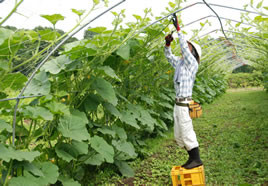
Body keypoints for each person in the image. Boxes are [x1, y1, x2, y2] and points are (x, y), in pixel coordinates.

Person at [164, 15, 203, 169]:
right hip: (178, 103)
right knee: (179, 133)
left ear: (193, 53)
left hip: (185, 103)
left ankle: (196, 159)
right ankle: (190, 158)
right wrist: (167, 44)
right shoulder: (180, 64)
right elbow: (168, 56)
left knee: (187, 131)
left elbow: (185, 52)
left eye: (188, 46)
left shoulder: (192, 64)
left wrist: (179, 30)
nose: (184, 47)